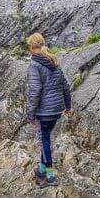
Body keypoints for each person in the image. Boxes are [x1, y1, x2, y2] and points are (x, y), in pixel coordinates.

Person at [26, 33, 71, 188]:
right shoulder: (53, 61)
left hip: (44, 112)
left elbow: (35, 90)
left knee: (44, 141)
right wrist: (68, 106)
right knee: (45, 139)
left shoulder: (34, 64)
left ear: (31, 47)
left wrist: (31, 114)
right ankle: (42, 168)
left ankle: (50, 177)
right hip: (56, 110)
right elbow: (65, 85)